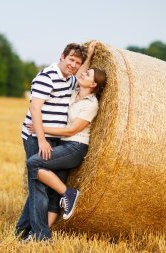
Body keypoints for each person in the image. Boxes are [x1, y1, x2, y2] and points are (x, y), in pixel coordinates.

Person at [16, 41, 99, 241]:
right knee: (38, 183)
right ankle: (40, 235)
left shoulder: (71, 80)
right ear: (62, 56)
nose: (73, 64)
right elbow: (35, 108)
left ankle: (22, 230)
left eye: (77, 62)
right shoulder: (47, 77)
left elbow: (84, 76)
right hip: (36, 136)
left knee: (43, 184)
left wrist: (88, 56)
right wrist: (42, 138)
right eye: (71, 59)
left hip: (56, 138)